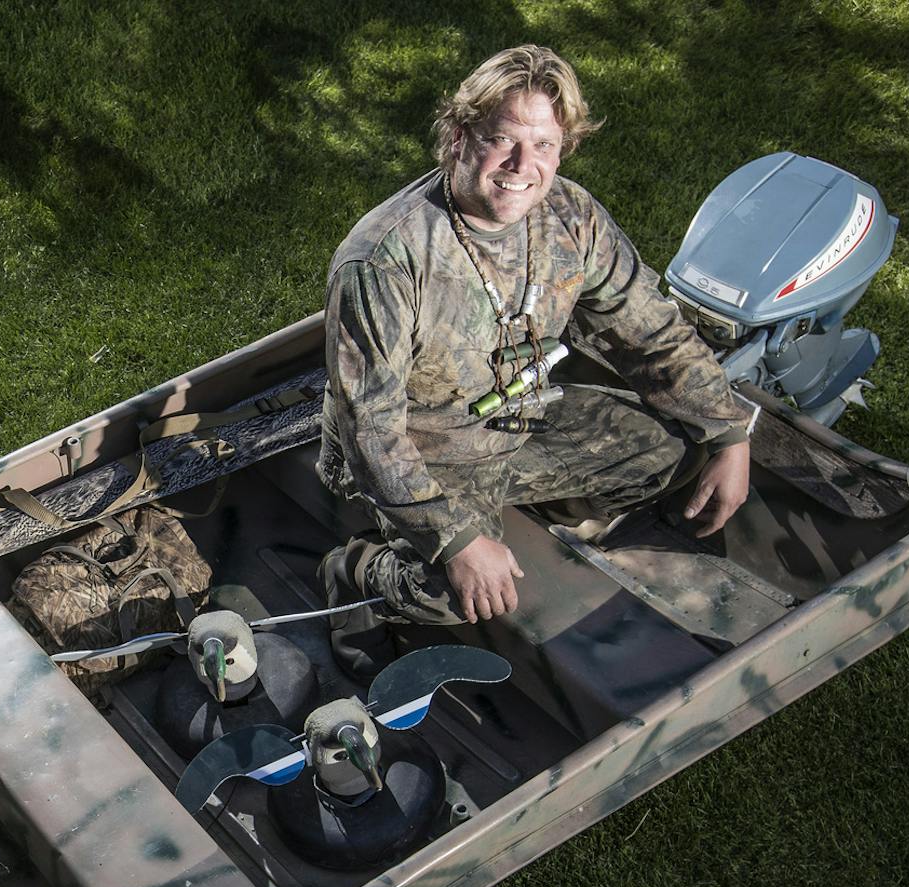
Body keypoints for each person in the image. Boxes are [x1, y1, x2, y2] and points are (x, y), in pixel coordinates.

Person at [316, 45, 752, 678]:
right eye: (502, 140)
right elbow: (369, 431)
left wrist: (730, 433)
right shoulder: (386, 258)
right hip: (418, 454)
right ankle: (357, 576)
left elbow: (649, 330)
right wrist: (458, 541)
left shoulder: (571, 218)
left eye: (545, 145)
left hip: (518, 425)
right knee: (457, 595)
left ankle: (528, 516)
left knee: (671, 450)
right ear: (458, 137)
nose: (524, 166)